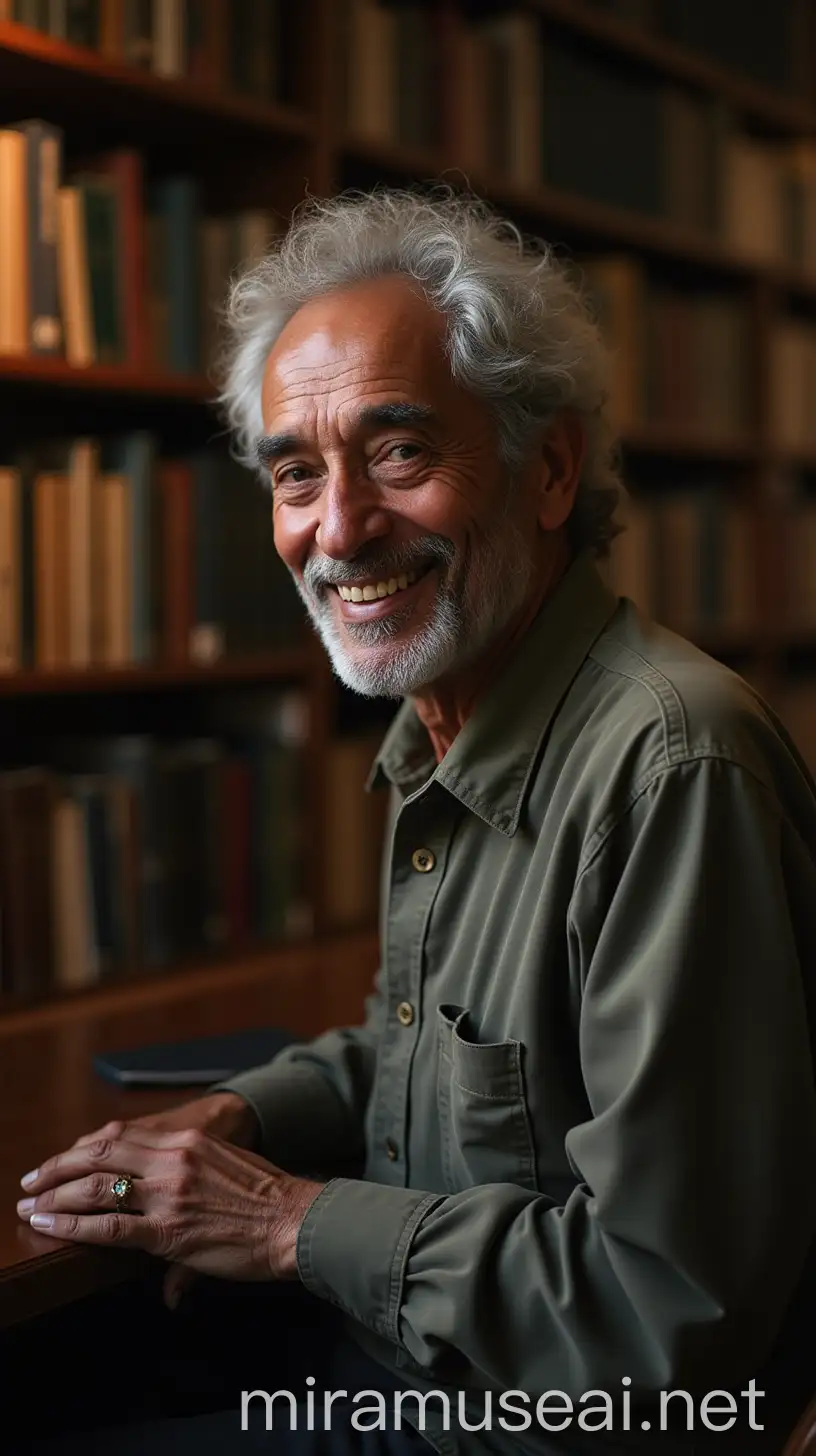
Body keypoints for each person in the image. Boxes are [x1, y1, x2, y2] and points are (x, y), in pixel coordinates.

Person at [15, 189, 816, 1455]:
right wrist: (247, 1115)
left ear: (549, 469)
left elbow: (675, 1331)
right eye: (296, 473)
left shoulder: (673, 765)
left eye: (397, 453)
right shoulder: (451, 717)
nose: (337, 530)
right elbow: (447, 1065)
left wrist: (285, 1222)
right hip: (404, 1358)